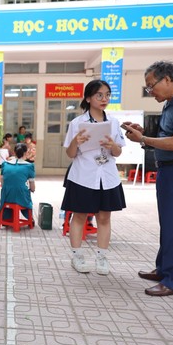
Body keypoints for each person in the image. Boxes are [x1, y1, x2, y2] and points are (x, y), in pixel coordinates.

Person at [123, 61, 173, 296]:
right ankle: (163, 269)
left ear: (167, 79)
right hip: (169, 170)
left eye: (151, 86)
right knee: (168, 224)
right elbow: (168, 136)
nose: (150, 91)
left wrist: (143, 139)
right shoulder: (172, 102)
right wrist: (144, 133)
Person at [62, 79, 126, 276]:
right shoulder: (77, 123)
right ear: (88, 98)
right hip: (83, 175)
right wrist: (75, 141)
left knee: (104, 217)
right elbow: (70, 154)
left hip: (107, 176)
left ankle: (102, 257)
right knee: (80, 216)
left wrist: (112, 146)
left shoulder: (113, 123)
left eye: (107, 95)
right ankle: (77, 256)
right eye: (99, 95)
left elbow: (118, 153)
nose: (104, 99)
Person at [0, 143, 35, 222]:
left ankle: (6, 219)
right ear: (26, 153)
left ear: (14, 152)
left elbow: (2, 181)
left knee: (10, 193)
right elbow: (32, 187)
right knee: (26, 195)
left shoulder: (5, 164)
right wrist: (32, 190)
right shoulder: (29, 166)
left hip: (7, 195)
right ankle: (30, 219)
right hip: (21, 195)